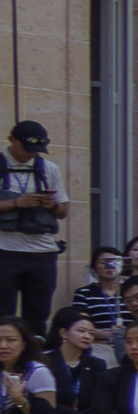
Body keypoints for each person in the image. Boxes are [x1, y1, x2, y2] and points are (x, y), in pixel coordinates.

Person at [0, 122, 67, 335]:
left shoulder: (49, 169)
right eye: (26, 148)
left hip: (42, 252)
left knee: (38, 314)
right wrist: (16, 203)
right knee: (3, 313)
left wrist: (51, 206)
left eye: (35, 151)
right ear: (11, 140)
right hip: (5, 250)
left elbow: (63, 211)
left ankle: (35, 359)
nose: (30, 154)